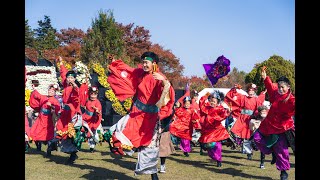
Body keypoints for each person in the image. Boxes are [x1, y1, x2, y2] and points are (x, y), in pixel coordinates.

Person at [107, 52, 175, 180]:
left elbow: (167, 94)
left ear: (154, 63)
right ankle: (127, 149)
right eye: (143, 62)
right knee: (121, 133)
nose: (144, 64)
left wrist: (165, 83)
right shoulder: (139, 73)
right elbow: (128, 70)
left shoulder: (159, 77)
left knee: (149, 146)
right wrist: (115, 62)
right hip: (135, 114)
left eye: (146, 62)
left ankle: (153, 175)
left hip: (150, 118)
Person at [253, 67, 295, 180]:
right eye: (279, 87)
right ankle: (273, 152)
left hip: (281, 127)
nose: (280, 89)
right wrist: (265, 77)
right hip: (268, 124)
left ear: (288, 87)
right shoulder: (275, 94)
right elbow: (270, 87)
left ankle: (283, 172)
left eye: (283, 87)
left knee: (282, 150)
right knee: (256, 137)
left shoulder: (291, 99)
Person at [225, 83, 266, 160]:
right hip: (242, 119)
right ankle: (245, 149)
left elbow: (258, 109)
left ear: (254, 91)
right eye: (249, 90)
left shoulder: (256, 99)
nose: (251, 92)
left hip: (251, 119)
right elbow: (232, 97)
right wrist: (234, 89)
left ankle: (249, 151)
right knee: (237, 133)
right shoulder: (242, 97)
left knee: (249, 136)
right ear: (247, 91)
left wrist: (257, 116)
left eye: (252, 90)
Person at [198, 90, 230, 167]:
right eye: (211, 101)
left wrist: (227, 111)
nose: (212, 103)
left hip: (217, 130)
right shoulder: (206, 108)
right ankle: (215, 157)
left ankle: (219, 160)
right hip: (207, 130)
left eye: (214, 101)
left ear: (217, 102)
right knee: (208, 146)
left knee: (217, 145)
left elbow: (224, 114)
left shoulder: (220, 108)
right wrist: (206, 95)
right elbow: (201, 103)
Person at [29, 84, 61, 155]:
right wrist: (34, 89)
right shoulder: (44, 97)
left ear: (54, 92)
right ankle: (38, 147)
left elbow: (57, 109)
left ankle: (49, 150)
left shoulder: (55, 101)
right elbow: (38, 95)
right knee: (35, 132)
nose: (50, 92)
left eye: (52, 91)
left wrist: (52, 106)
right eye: (49, 90)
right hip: (40, 119)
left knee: (49, 135)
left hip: (48, 121)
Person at [82, 86, 103, 153]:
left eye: (95, 94)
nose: (93, 96)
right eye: (92, 94)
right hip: (86, 118)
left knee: (95, 132)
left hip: (94, 119)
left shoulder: (97, 102)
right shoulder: (87, 100)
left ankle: (95, 144)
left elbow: (98, 110)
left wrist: (97, 110)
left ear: (97, 95)